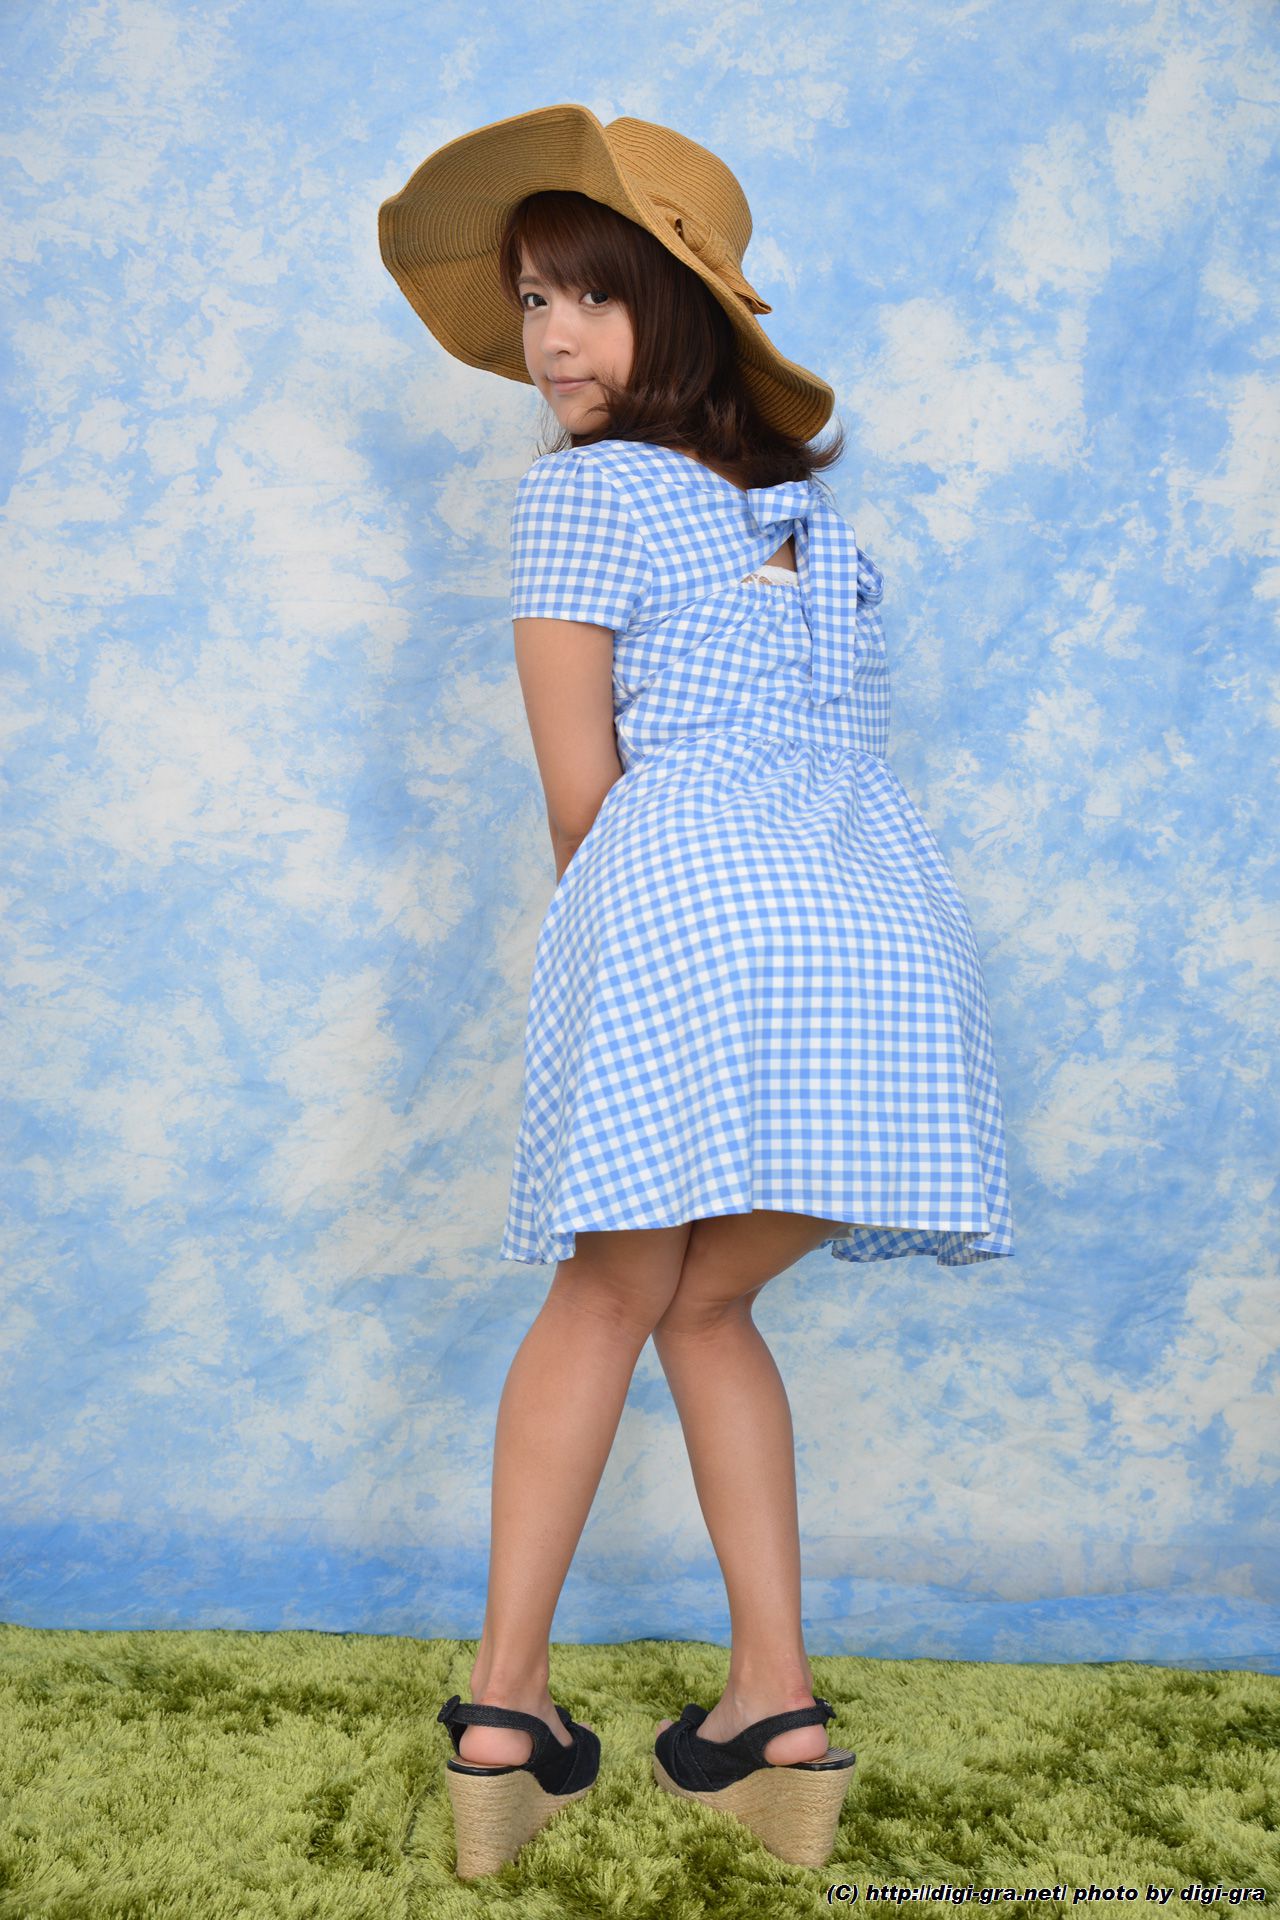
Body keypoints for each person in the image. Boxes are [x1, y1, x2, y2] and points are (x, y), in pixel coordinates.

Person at [378, 104, 1015, 1880]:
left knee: (606, 1290)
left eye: (591, 295)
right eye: (531, 301)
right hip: (883, 946)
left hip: (692, 914)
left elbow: (583, 798)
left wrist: (620, 956)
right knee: (708, 1304)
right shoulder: (818, 527)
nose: (551, 339)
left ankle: (506, 1709)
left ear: (682, 308)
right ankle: (775, 1711)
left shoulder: (577, 495)